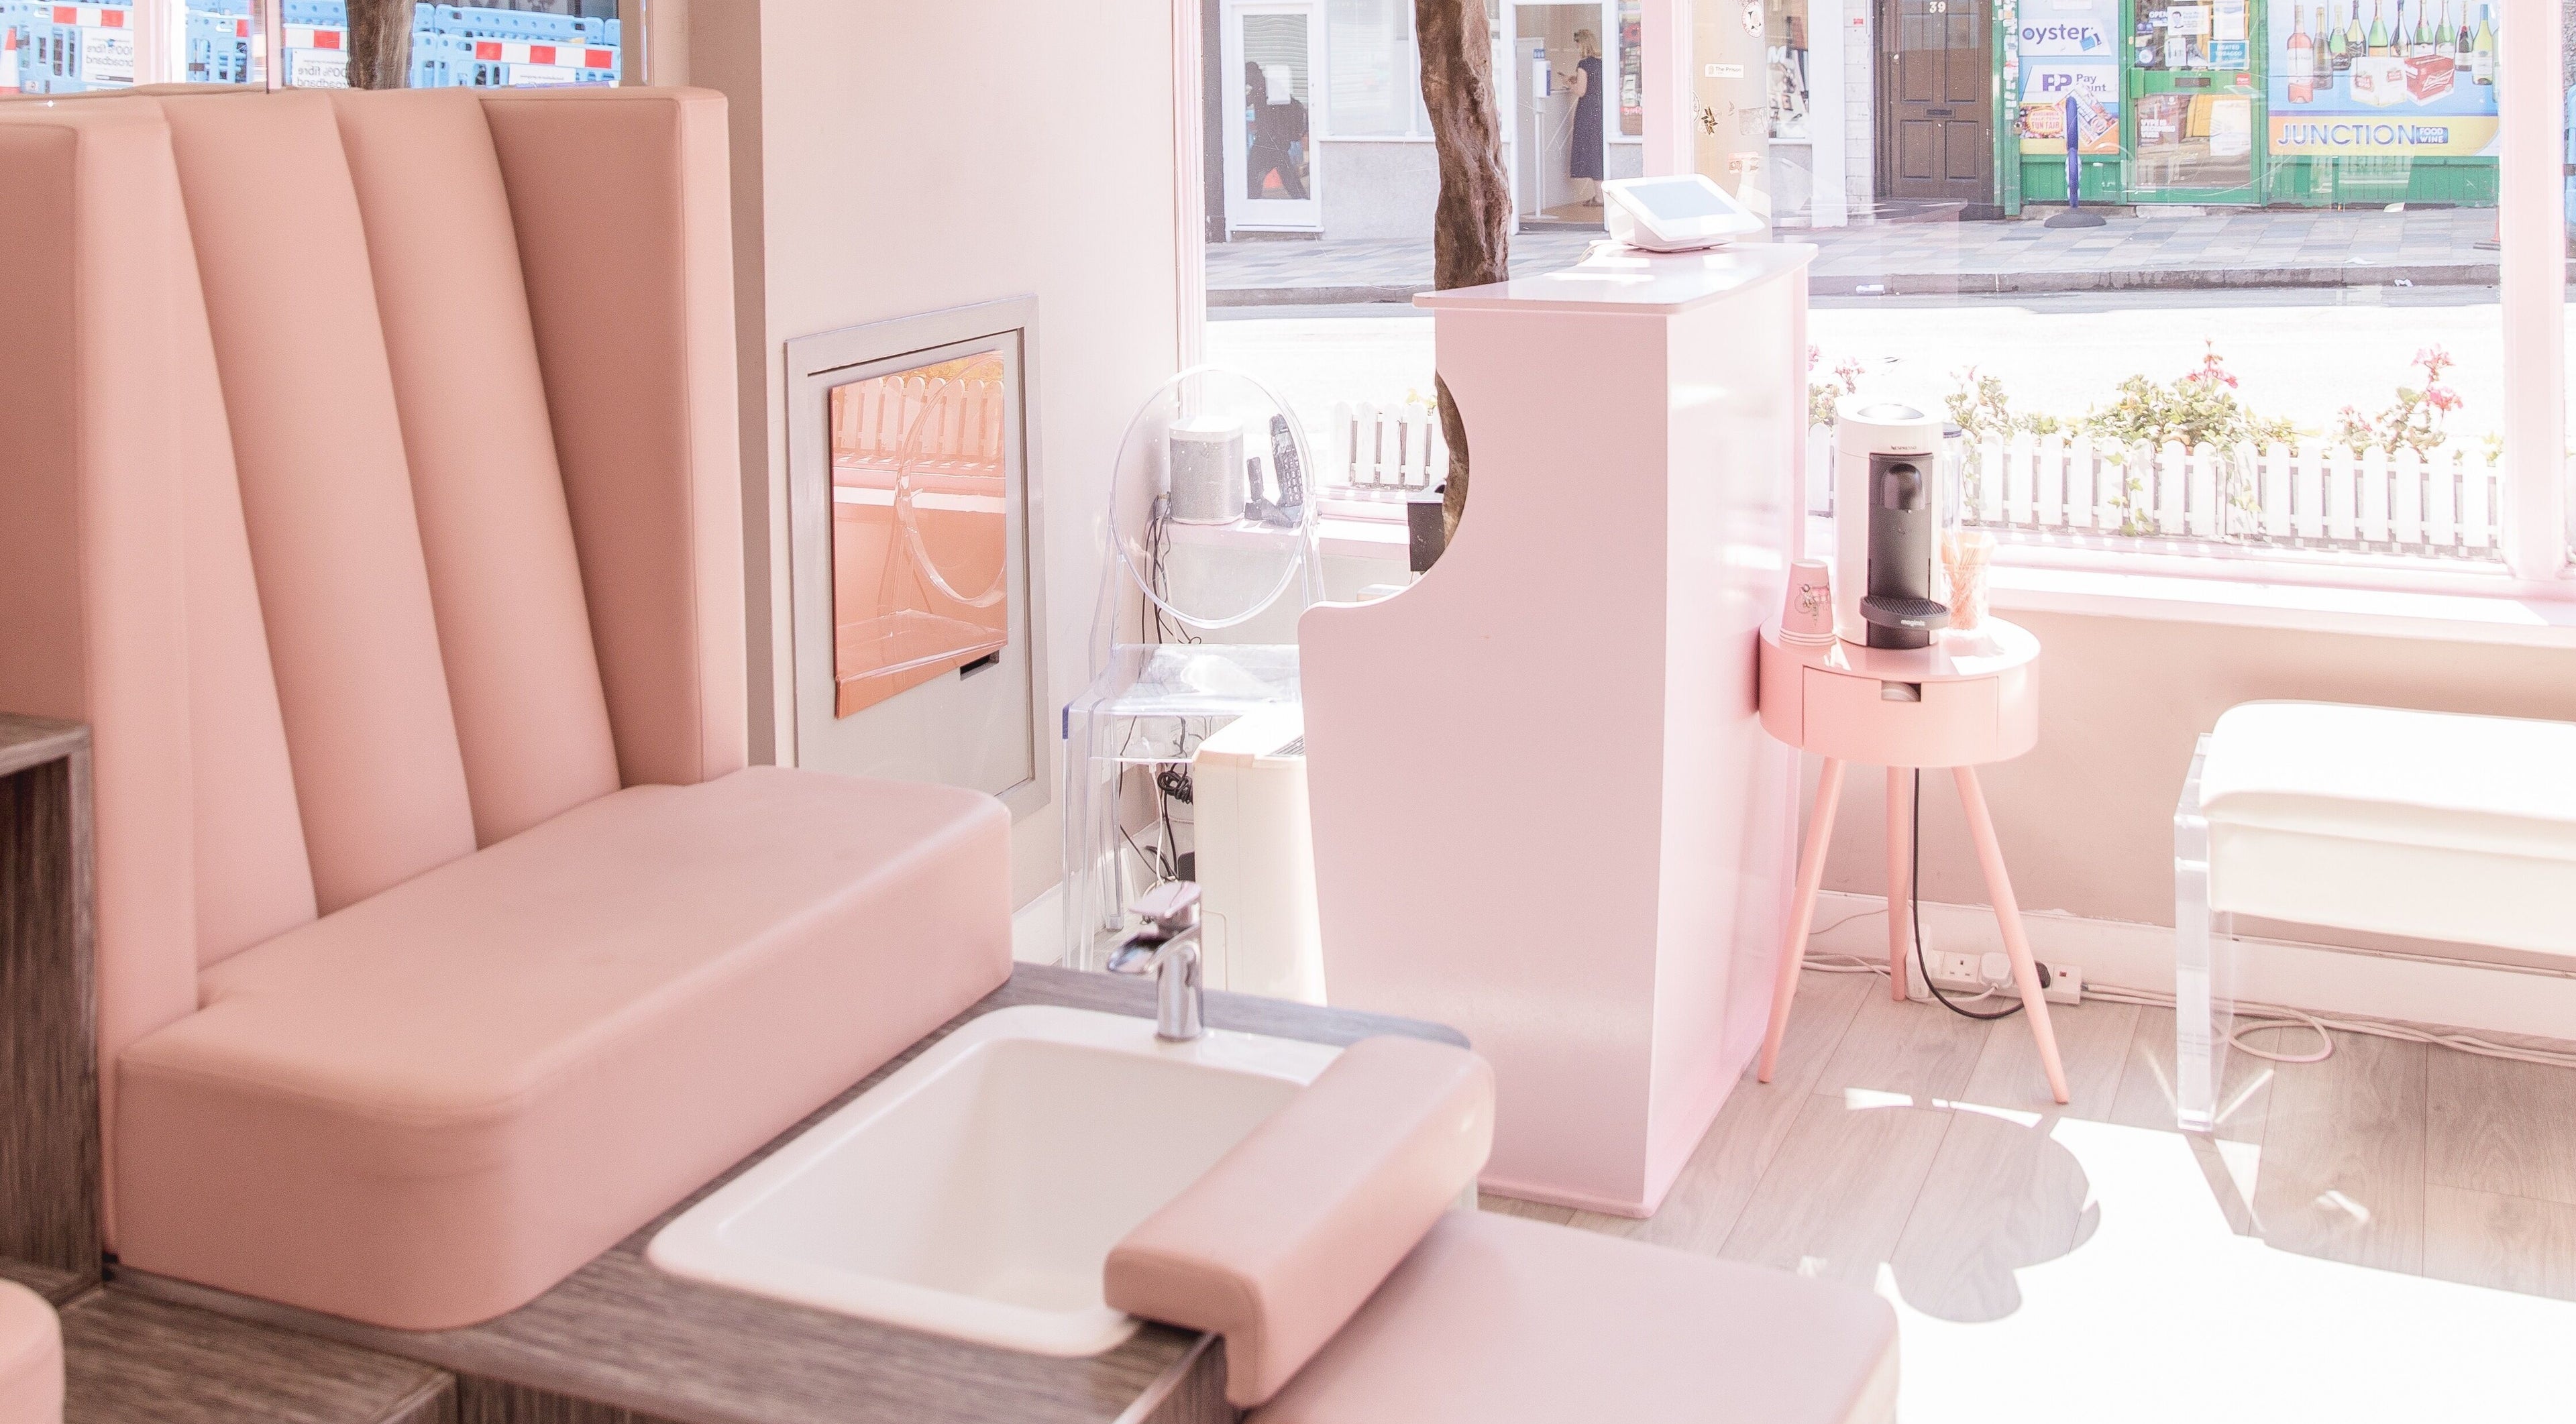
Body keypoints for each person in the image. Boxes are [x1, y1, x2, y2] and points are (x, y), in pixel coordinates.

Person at [1244, 60, 1310, 200]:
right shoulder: (1263, 88)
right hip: (1275, 140)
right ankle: (1301, 201)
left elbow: (1245, 102)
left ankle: (1251, 204)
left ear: (1253, 75)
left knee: (1253, 174)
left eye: (1247, 77)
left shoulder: (1264, 88)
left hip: (1270, 140)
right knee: (1287, 176)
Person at [1568, 29, 1605, 206]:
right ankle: (1601, 195)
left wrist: (1569, 84)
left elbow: (1581, 91)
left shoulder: (1584, 64)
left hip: (1587, 111)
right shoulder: (1601, 63)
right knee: (1598, 150)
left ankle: (1599, 197)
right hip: (1601, 110)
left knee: (1589, 151)